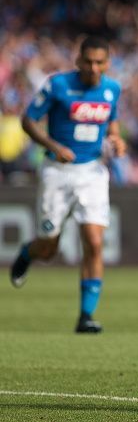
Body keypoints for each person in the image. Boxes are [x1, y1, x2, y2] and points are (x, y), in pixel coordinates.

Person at [9, 36, 125, 334]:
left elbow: (111, 122)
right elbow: (28, 120)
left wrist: (116, 138)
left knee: (95, 242)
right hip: (57, 173)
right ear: (78, 61)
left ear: (107, 63)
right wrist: (52, 144)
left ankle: (86, 316)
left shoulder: (112, 89)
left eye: (100, 62)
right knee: (49, 248)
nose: (94, 68)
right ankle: (27, 253)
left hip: (93, 172)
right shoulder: (57, 85)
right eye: (89, 61)